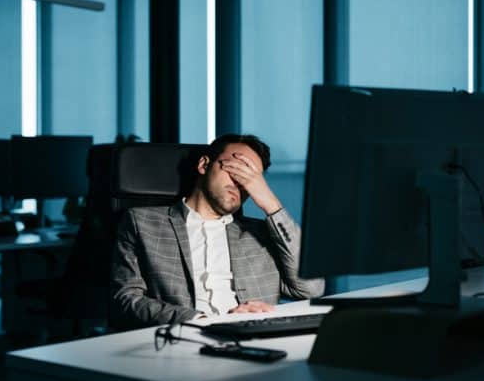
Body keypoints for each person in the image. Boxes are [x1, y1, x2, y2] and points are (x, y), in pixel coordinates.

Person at [111, 133, 324, 328]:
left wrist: (270, 203)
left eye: (252, 178)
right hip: (184, 342)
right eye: (236, 168)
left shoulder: (264, 234)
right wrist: (202, 321)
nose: (241, 181)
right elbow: (126, 298)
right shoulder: (142, 222)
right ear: (204, 165)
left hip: (254, 344)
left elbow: (312, 288)